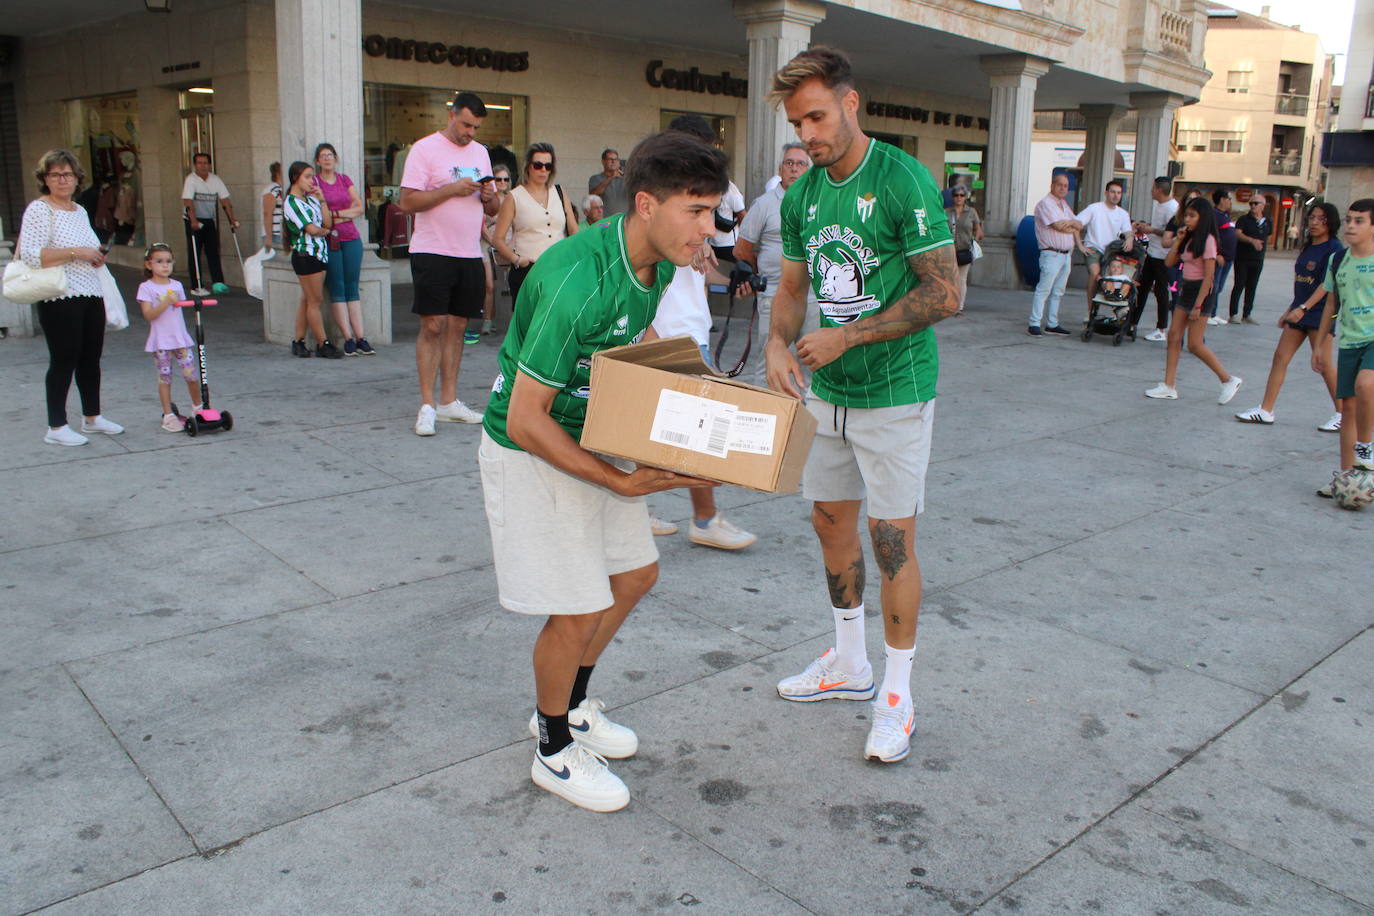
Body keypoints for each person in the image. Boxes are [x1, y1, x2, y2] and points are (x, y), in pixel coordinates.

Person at [478, 129, 729, 811]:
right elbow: (529, 416)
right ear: (647, 204)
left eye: (713, 211)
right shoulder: (573, 276)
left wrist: (707, 399)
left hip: (591, 433)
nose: (710, 228)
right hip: (531, 447)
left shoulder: (657, 264)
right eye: (697, 210)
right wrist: (620, 480)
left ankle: (572, 704)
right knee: (577, 603)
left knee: (634, 574)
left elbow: (633, 336)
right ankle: (553, 749)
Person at [765, 47, 960, 764]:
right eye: (797, 122)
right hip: (829, 397)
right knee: (828, 524)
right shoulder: (802, 194)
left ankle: (898, 697)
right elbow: (789, 288)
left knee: (891, 544)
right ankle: (850, 666)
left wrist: (846, 337)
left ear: (851, 103)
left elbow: (946, 293)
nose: (808, 135)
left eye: (817, 116)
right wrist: (778, 347)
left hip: (894, 395)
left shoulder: (901, 178)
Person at [643, 113, 758, 551]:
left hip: (695, 332)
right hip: (668, 339)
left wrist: (733, 280)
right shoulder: (658, 209)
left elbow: (699, 274)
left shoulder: (698, 211)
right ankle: (704, 519)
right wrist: (646, 336)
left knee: (675, 431)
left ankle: (685, 515)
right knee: (692, 432)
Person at [398, 91, 501, 436]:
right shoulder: (424, 149)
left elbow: (493, 209)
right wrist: (451, 189)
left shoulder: (481, 153)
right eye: (466, 124)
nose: (471, 132)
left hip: (469, 252)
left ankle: (449, 401)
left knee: (458, 326)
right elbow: (408, 201)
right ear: (451, 116)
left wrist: (489, 197)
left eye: (476, 127)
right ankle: (427, 404)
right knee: (433, 325)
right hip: (432, 250)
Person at [20, 149, 123, 446]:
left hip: (90, 290)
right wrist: (77, 252)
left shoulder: (79, 211)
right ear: (45, 179)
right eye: (55, 174)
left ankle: (92, 417)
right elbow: (31, 254)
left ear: (77, 179)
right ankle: (56, 425)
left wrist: (95, 257)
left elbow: (85, 247)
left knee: (91, 357)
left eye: (68, 174)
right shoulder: (40, 210)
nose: (63, 180)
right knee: (64, 358)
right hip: (59, 295)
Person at [1233, 203, 1343, 430]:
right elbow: (1301, 280)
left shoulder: (1335, 248)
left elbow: (1326, 285)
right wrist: (1291, 309)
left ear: (1330, 222)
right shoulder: (1309, 246)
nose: (1314, 222)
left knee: (1324, 363)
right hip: (1299, 310)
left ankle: (1343, 414)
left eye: (1321, 219)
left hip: (1320, 312)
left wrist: (1303, 307)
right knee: (1280, 357)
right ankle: (1266, 410)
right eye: (1312, 217)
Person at [735, 141, 816, 389]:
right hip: (774, 297)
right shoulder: (764, 204)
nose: (794, 169)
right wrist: (758, 276)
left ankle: (807, 421)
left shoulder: (819, 201)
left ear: (809, 170)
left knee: (815, 363)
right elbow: (743, 249)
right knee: (770, 363)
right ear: (781, 169)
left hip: (814, 298)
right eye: (789, 163)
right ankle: (767, 422)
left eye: (800, 163)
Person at [1145, 197, 1241, 403]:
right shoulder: (1189, 237)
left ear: (1203, 217)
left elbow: (1209, 276)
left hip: (1201, 292)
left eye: (1192, 216)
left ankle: (1228, 379)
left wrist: (1199, 305)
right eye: (1186, 215)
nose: (1187, 219)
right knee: (1173, 336)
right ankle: (1169, 385)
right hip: (1186, 287)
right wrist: (1179, 240)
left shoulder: (1208, 241)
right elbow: (1169, 261)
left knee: (1195, 344)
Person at [1312, 199, 1374, 494]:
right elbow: (1331, 305)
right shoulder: (1338, 260)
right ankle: (1348, 477)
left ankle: (1365, 449)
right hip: (1350, 339)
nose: (1350, 225)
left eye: (1359, 220)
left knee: (1366, 384)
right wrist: (1321, 345)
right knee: (1347, 409)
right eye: (1349, 219)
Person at [490, 142, 579, 320]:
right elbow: (497, 239)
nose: (543, 170)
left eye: (548, 165)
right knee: (528, 328)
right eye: (538, 165)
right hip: (527, 270)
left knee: (557, 325)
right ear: (528, 167)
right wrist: (517, 259)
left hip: (559, 269)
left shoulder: (560, 192)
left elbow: (574, 232)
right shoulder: (514, 197)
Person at [315, 143, 374, 356]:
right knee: (337, 288)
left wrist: (336, 215)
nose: (327, 159)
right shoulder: (315, 182)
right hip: (330, 239)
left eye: (330, 155)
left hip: (351, 237)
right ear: (317, 161)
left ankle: (361, 337)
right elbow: (322, 216)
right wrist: (344, 214)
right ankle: (347, 338)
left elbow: (359, 207)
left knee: (352, 286)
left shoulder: (344, 179)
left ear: (336, 158)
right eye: (323, 156)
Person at [136, 243, 200, 431]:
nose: (165, 266)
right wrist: (165, 302)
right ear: (149, 265)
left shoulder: (177, 285)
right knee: (165, 377)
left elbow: (180, 304)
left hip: (179, 338)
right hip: (161, 340)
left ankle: (198, 407)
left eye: (168, 261)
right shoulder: (146, 287)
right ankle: (168, 415)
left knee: (191, 374)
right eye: (159, 262)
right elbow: (148, 315)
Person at [282, 160, 340, 359]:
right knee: (315, 300)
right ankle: (323, 343)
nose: (311, 181)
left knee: (308, 299)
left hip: (319, 253)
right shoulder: (291, 202)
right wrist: (324, 231)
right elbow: (312, 228)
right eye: (307, 177)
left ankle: (298, 341)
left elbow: (326, 222)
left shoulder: (311, 199)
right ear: (295, 179)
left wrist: (322, 199)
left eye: (312, 176)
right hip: (305, 254)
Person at [1027, 173, 1082, 336]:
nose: (1063, 188)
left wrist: (1071, 224)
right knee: (1044, 289)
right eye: (1060, 184)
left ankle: (1052, 323)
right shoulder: (1045, 204)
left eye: (1065, 185)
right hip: (1051, 253)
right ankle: (1034, 323)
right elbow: (1058, 226)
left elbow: (1079, 224)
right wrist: (1070, 225)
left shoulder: (1064, 204)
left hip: (1066, 254)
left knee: (1058, 291)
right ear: (1052, 185)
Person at [180, 152, 239, 294]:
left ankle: (218, 282)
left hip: (209, 219)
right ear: (195, 165)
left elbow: (225, 200)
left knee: (213, 250)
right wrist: (193, 220)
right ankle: (196, 286)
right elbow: (188, 202)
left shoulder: (215, 180)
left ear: (210, 164)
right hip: (193, 219)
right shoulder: (191, 180)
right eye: (199, 163)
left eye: (205, 163)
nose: (203, 166)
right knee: (195, 252)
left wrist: (232, 219)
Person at [1076, 179, 1134, 321]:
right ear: (1106, 193)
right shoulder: (1094, 208)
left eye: (1119, 193)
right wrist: (1080, 245)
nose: (1116, 195)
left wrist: (1129, 239)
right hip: (1094, 248)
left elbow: (1128, 231)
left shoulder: (1123, 213)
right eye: (1113, 192)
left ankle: (1118, 308)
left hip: (1112, 252)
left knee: (1117, 279)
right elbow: (1076, 224)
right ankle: (1090, 311)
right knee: (1095, 275)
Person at [1131, 176, 1178, 341]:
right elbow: (1160, 227)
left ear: (1159, 189)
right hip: (1152, 253)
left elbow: (1171, 233)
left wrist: (1151, 230)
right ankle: (1132, 322)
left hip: (1163, 257)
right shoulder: (1160, 205)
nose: (1151, 191)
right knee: (1142, 288)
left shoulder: (1173, 208)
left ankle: (1161, 328)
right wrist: (1146, 226)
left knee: (1161, 292)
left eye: (1153, 188)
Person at [478, 163, 514, 338]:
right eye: (498, 179)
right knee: (489, 285)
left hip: (507, 246)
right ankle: (487, 321)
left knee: (507, 286)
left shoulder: (513, 199)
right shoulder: (485, 199)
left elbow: (517, 226)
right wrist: (493, 242)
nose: (502, 182)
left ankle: (511, 322)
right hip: (486, 245)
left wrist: (509, 246)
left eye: (505, 179)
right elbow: (480, 225)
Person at [1229, 194, 1270, 324]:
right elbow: (1237, 233)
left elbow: (1267, 234)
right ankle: (1233, 314)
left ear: (1262, 206)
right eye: (1251, 203)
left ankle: (1247, 314)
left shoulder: (1267, 221)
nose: (1252, 206)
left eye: (1256, 203)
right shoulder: (1244, 219)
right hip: (1243, 257)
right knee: (1239, 284)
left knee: (1252, 286)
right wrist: (1251, 240)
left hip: (1258, 258)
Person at [943, 185, 983, 313]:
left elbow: (979, 230)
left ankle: (959, 306)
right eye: (956, 195)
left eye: (961, 195)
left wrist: (974, 241)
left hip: (964, 249)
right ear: (952, 197)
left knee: (961, 278)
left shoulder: (971, 212)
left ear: (965, 197)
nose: (959, 198)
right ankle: (949, 303)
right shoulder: (947, 212)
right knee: (949, 278)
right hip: (948, 250)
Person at [1206, 189, 1237, 325]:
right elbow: (1210, 236)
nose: (1230, 202)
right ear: (1222, 199)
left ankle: (1213, 312)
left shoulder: (1225, 215)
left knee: (1219, 287)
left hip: (1228, 259)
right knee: (1213, 285)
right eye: (1229, 199)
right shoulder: (1213, 215)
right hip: (1219, 258)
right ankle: (1207, 313)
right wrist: (1217, 254)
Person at [709, 172, 746, 263]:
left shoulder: (731, 190)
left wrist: (742, 242)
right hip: (712, 242)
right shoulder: (711, 188)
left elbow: (743, 215)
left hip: (729, 244)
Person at [588, 148, 628, 216]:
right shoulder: (595, 178)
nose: (613, 161)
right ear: (603, 162)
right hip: (605, 221)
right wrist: (612, 177)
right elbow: (593, 195)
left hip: (624, 220)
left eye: (616, 159)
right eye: (610, 159)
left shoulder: (626, 178)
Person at [260, 161, 283, 250]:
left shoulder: (281, 189)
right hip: (274, 234)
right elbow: (267, 213)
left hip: (281, 233)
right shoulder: (272, 189)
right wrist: (268, 237)